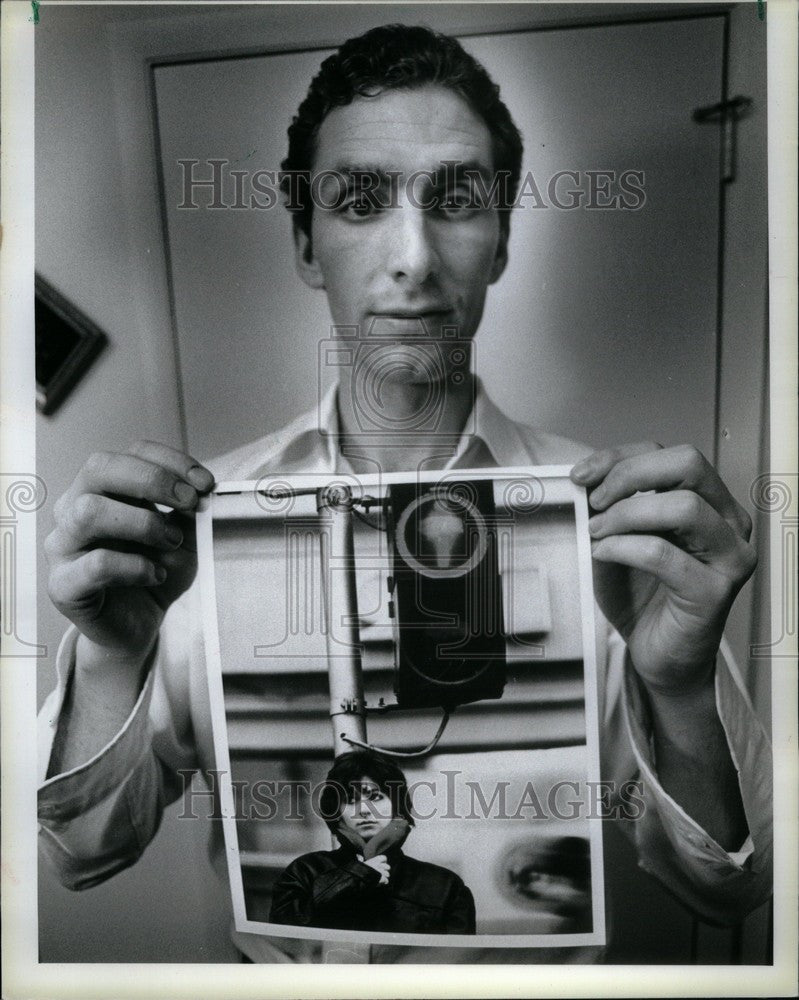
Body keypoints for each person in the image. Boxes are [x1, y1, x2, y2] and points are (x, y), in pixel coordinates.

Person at [38, 23, 771, 963]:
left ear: (501, 239)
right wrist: (110, 659)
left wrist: (673, 684)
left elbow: (731, 885)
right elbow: (81, 858)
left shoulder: (615, 536)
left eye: (457, 200)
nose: (414, 258)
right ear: (306, 243)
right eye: (359, 202)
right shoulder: (192, 538)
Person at [269, 751, 476, 934]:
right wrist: (356, 876)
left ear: (398, 805)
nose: (364, 810)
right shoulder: (306, 872)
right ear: (336, 813)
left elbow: (457, 970)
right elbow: (283, 945)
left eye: (376, 797)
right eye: (351, 800)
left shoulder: (445, 887)